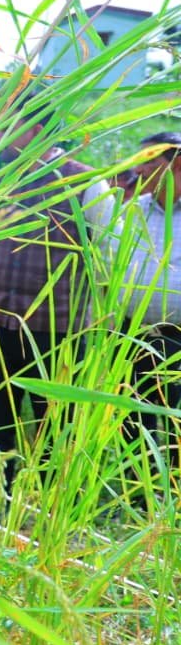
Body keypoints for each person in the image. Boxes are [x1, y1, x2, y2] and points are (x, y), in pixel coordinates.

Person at [0, 92, 114, 505]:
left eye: (8, 126)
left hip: (59, 331)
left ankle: (53, 512)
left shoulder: (86, 182)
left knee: (57, 424)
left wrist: (90, 315)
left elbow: (106, 255)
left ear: (35, 130)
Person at [120, 132, 181, 469]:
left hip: (178, 338)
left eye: (149, 161)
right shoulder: (133, 210)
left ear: (177, 165)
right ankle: (137, 490)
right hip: (132, 334)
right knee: (134, 422)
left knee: (177, 423)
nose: (138, 170)